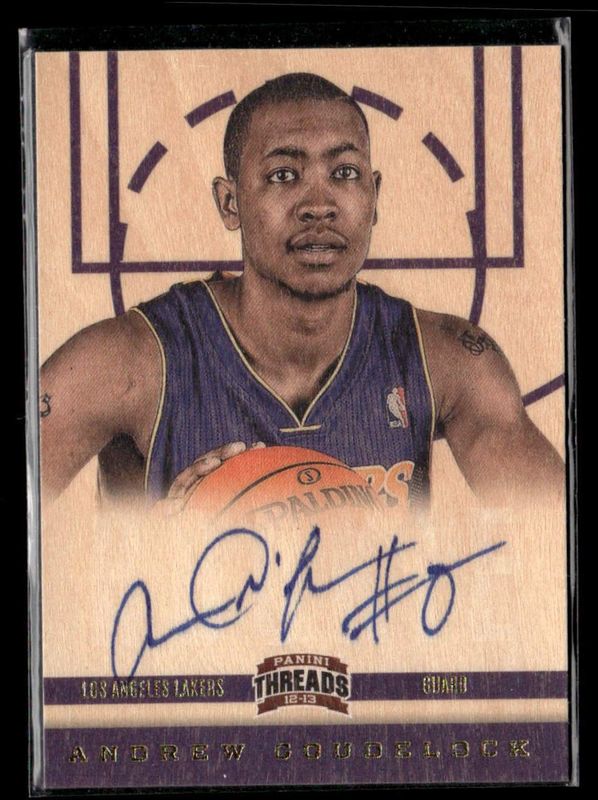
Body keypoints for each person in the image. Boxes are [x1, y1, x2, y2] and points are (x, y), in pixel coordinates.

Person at [40, 73, 564, 511]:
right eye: (283, 175)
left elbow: (550, 549)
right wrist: (155, 560)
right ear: (229, 203)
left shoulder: (448, 358)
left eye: (345, 172)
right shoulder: (124, 362)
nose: (319, 205)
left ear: (374, 196)